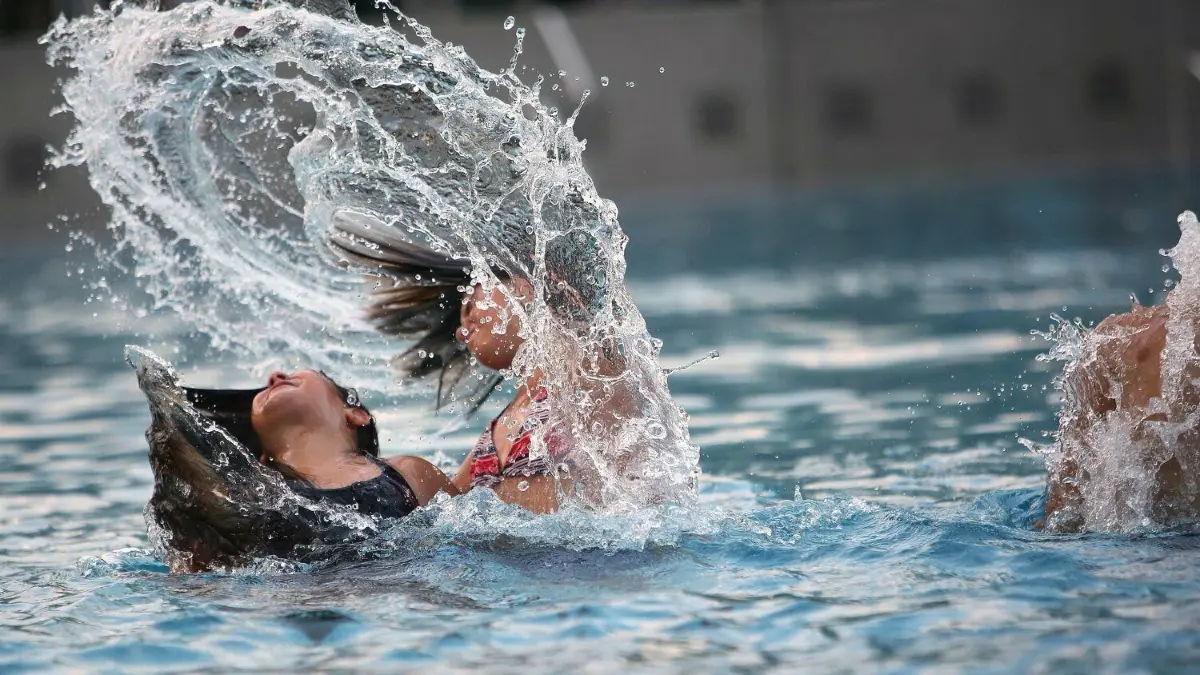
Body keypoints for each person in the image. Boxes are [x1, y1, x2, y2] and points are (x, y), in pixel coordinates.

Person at [329, 218, 578, 514]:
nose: (461, 333)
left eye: (470, 310)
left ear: (524, 288)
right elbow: (441, 514)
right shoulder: (491, 437)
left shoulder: (591, 376)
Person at [248, 368, 460, 515]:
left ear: (356, 415)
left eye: (296, 374)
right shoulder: (254, 495)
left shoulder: (410, 473)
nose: (275, 377)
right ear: (263, 456)